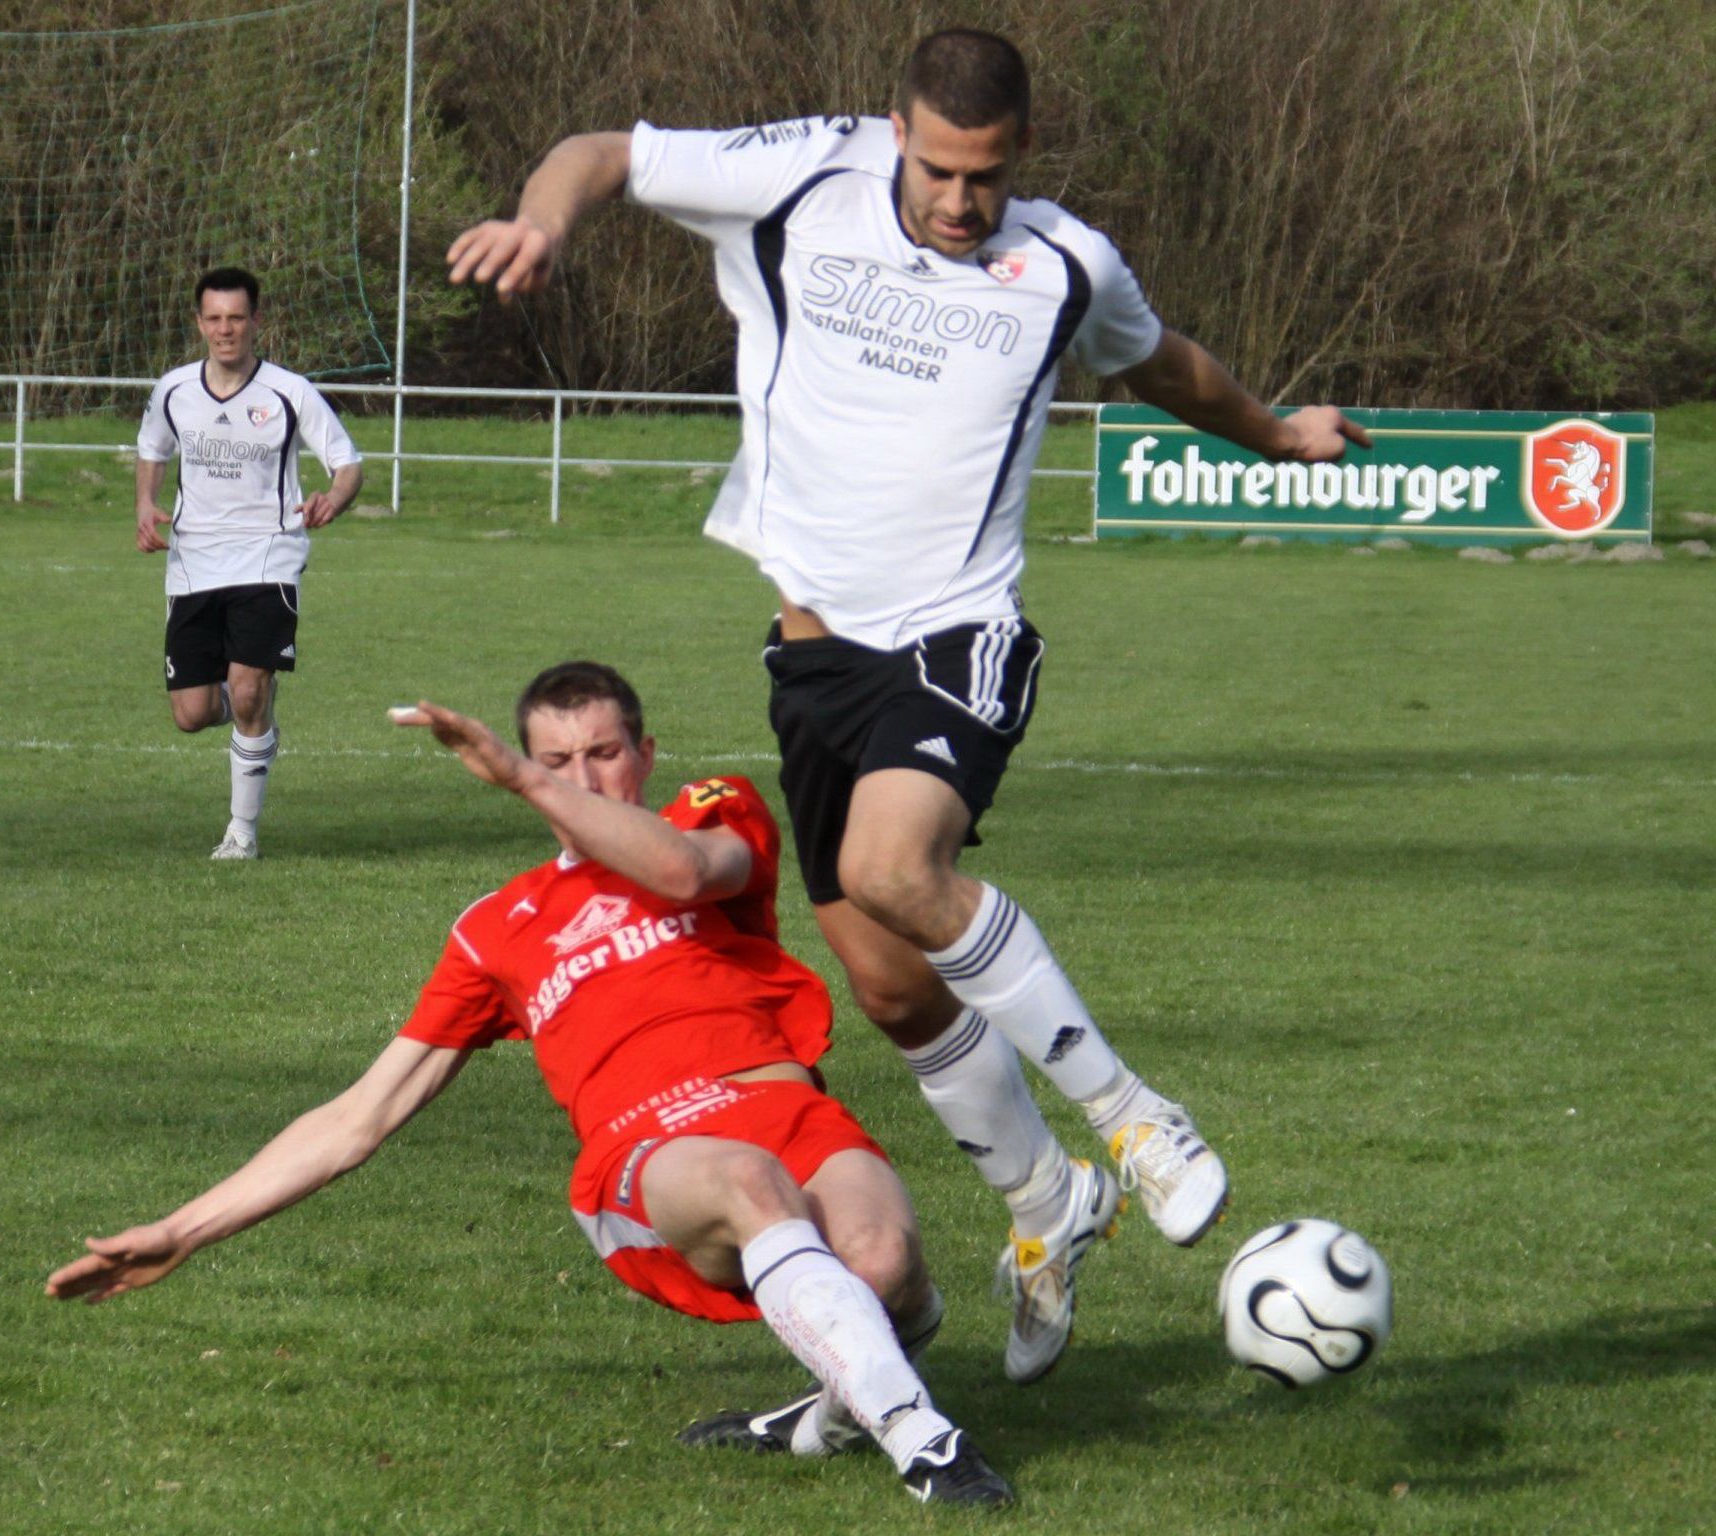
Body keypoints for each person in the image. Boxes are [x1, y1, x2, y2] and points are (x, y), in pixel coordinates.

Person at [446, 29, 1373, 1384]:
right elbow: (600, 154)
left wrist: (1281, 433)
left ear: (1023, 156)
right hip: (813, 658)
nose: (957, 201)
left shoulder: (1063, 264)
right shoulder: (803, 177)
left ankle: (1135, 1117)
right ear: (898, 132)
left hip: (959, 632)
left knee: (894, 866)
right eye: (937, 169)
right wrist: (541, 222)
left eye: (985, 177)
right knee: (887, 985)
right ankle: (1050, 1203)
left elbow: (1162, 365)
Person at [46, 661, 1013, 1508]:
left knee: (883, 1267)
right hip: (651, 1154)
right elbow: (357, 1117)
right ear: (527, 770)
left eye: (603, 753)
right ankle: (927, 1445)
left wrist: (512, 776)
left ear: (645, 753)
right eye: (553, 763)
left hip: (785, 1107)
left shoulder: (714, 810)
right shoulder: (496, 927)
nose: (583, 778)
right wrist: (181, 1229)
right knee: (747, 1186)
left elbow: (682, 873)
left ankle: (814, 1421)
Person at [134, 266, 363, 860]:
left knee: (248, 690)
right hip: (192, 563)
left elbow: (347, 464)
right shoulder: (175, 390)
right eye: (214, 318)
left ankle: (242, 832)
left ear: (257, 321)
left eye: (236, 317)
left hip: (269, 556)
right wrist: (144, 504)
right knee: (192, 714)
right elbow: (152, 451)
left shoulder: (290, 392)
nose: (225, 329)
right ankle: (250, 701)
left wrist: (332, 499)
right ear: (199, 323)